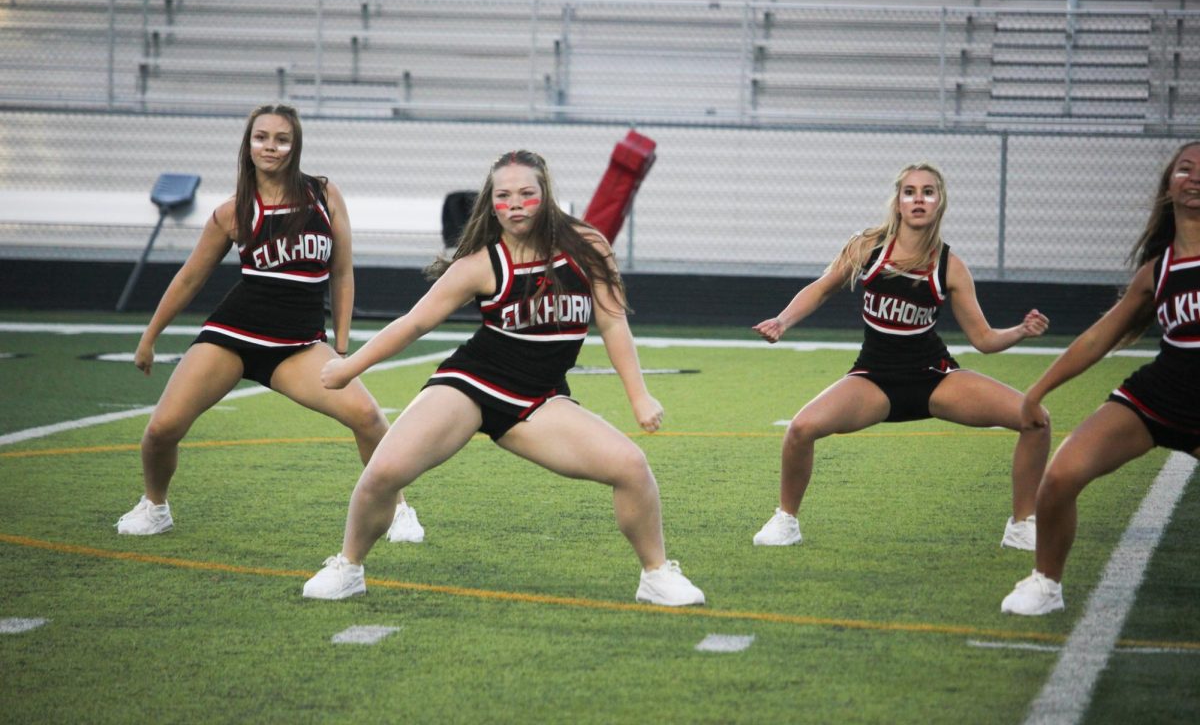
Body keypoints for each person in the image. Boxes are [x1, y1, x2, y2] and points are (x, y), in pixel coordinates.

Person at [301, 149, 704, 606]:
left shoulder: (588, 246)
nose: (515, 204)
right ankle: (349, 566)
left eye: (526, 193)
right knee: (385, 472)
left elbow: (612, 322)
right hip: (472, 385)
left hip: (538, 400)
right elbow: (413, 324)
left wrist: (639, 396)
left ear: (545, 194)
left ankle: (655, 575)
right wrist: (350, 366)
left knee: (631, 468)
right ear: (491, 203)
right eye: (504, 195)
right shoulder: (480, 264)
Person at [117, 103, 423, 543]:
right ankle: (155, 505)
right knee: (161, 430)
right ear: (248, 143)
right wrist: (149, 337)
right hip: (233, 337)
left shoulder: (323, 194)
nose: (271, 147)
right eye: (261, 138)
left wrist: (340, 346)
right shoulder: (233, 211)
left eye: (282, 139)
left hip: (298, 345)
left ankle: (397, 510)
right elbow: (189, 278)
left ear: (295, 146)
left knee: (369, 417)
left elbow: (341, 272)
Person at [751, 162, 1050, 551]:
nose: (919, 199)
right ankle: (786, 520)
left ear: (939, 203)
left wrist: (1021, 331)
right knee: (801, 429)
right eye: (910, 192)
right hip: (874, 378)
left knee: (1036, 419)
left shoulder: (951, 267)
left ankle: (1022, 524)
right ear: (898, 202)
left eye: (928, 191)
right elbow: (823, 288)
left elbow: (983, 339)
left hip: (934, 377)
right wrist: (782, 320)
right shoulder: (868, 248)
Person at [1002, 142, 1200, 616]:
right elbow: (1097, 339)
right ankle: (1045, 585)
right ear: (1169, 186)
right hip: (1161, 393)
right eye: (1186, 169)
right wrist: (1038, 389)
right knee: (1062, 475)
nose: (1195, 178)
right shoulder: (1158, 271)